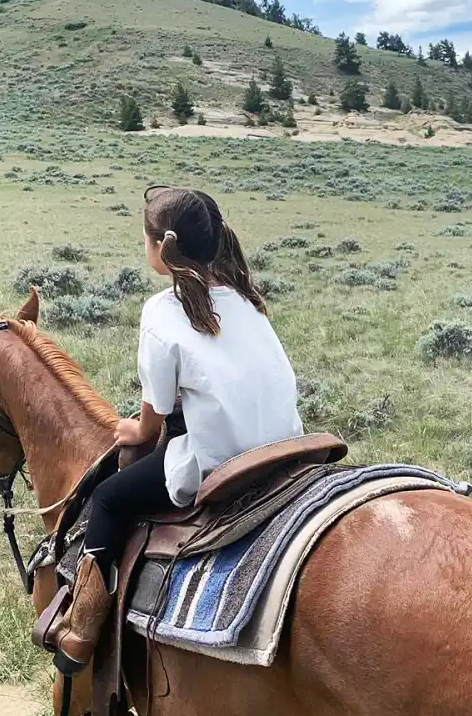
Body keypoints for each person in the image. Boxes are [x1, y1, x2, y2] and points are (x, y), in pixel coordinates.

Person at [52, 185, 303, 675]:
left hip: (223, 461)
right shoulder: (245, 299)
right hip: (286, 448)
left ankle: (81, 633)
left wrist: (132, 430)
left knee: (108, 499)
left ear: (159, 250)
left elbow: (155, 417)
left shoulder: (161, 313)